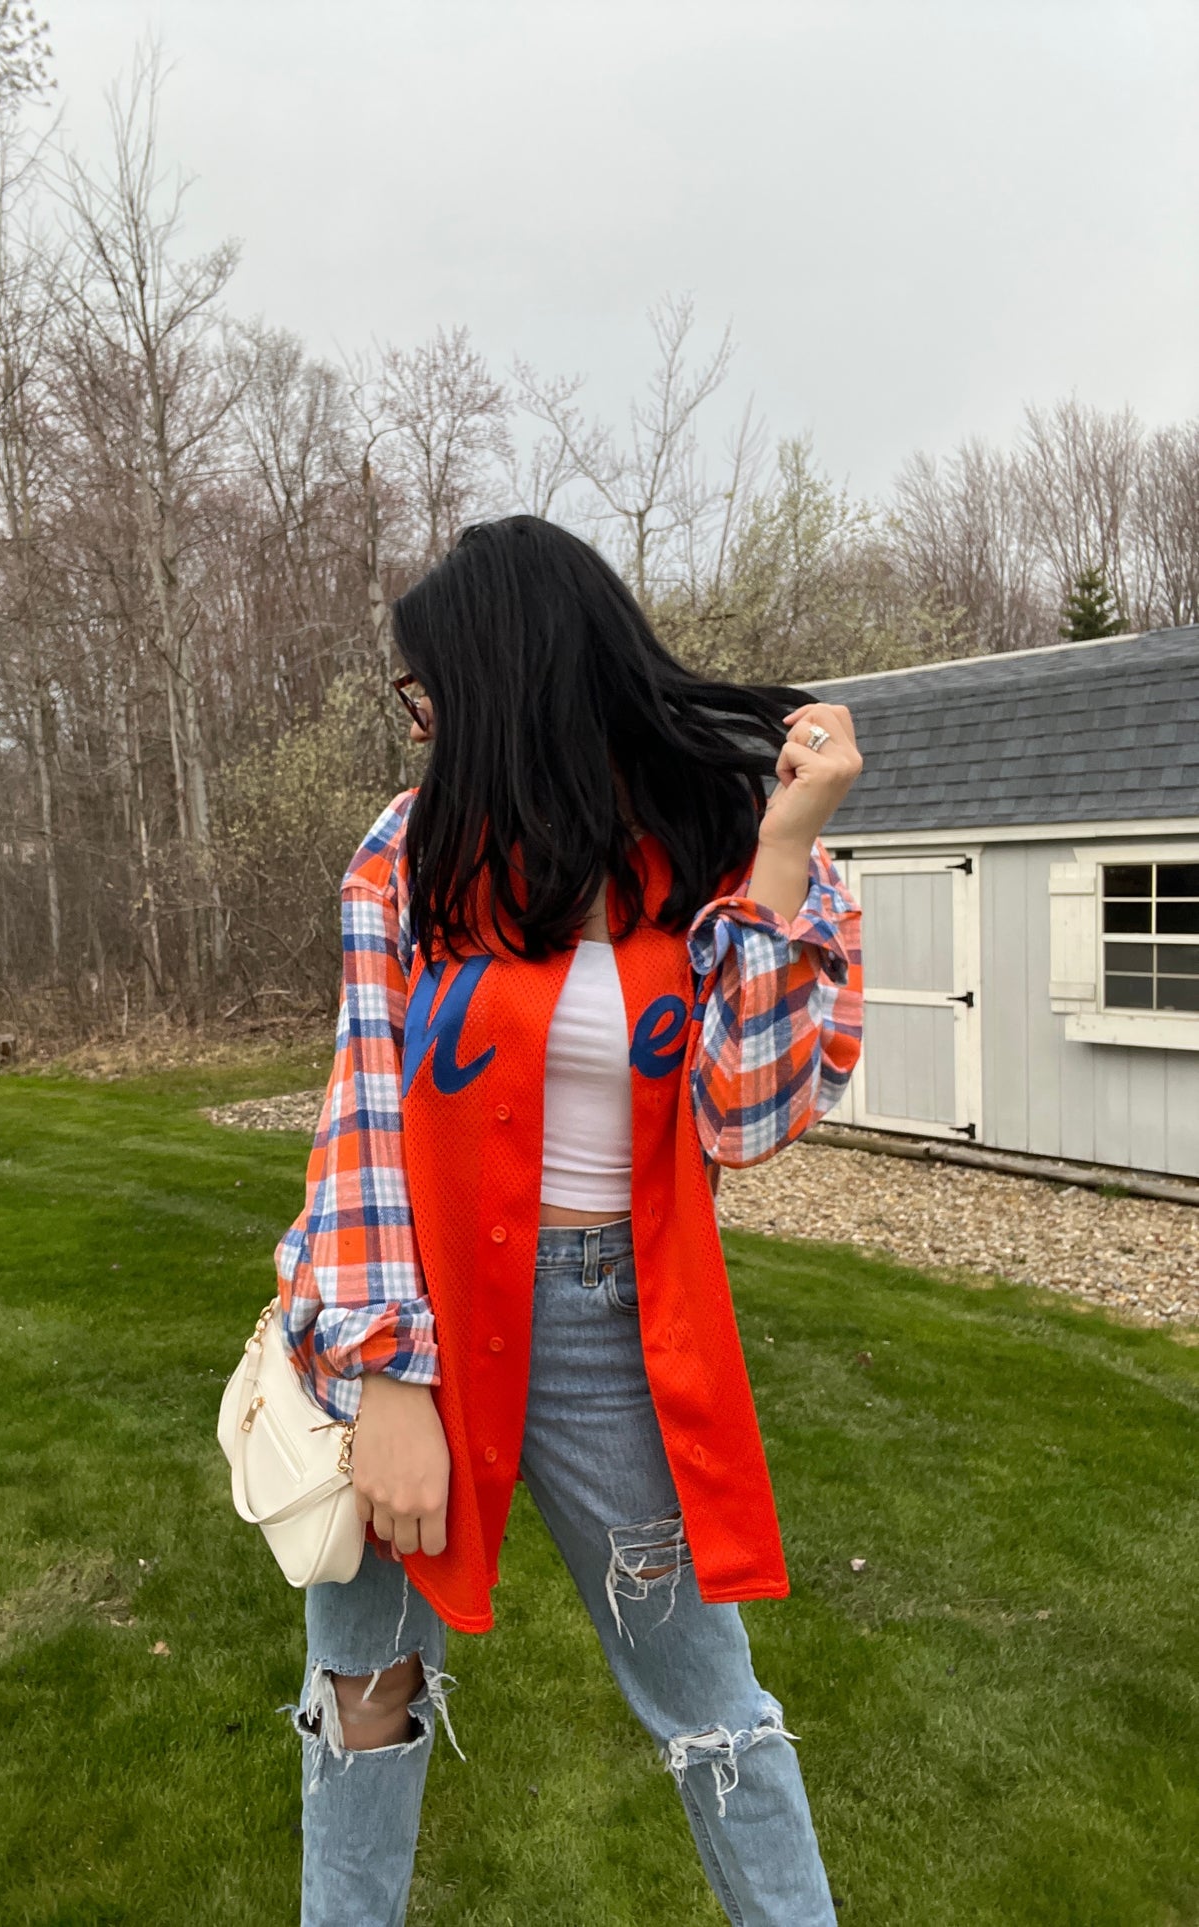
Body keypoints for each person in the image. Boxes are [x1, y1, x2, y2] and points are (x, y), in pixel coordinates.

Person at [274, 514, 865, 1926]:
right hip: (414, 1305)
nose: (417, 730)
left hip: (615, 1329)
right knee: (363, 1694)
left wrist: (780, 853)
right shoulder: (411, 858)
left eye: (426, 697)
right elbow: (362, 1122)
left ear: (506, 678)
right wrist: (383, 1375)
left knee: (710, 1706)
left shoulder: (726, 846)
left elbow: (751, 1118)